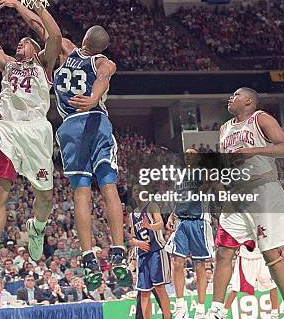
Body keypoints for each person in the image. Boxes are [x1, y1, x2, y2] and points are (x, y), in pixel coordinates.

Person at [0, 0, 62, 280]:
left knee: (45, 197)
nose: (21, 43)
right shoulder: (8, 65)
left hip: (37, 132)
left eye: (27, 41)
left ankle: (36, 227)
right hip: (8, 130)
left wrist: (35, 6)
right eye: (19, 42)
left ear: (37, 49)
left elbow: (56, 37)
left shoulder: (45, 65)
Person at [208, 87, 284, 319]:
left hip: (263, 190)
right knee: (223, 251)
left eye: (236, 94)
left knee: (270, 253)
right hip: (237, 194)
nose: (231, 97)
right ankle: (215, 311)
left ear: (248, 100)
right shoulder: (225, 128)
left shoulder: (261, 118)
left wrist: (253, 151)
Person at [52, 20, 131, 290]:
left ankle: (88, 256)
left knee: (81, 193)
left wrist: (25, 5)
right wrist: (94, 98)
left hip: (70, 127)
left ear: (84, 38)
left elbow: (45, 27)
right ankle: (118, 251)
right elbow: (104, 77)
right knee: (109, 187)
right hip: (96, 122)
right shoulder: (103, 61)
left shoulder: (65, 49)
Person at [165, 148, 213, 319]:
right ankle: (180, 307)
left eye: (192, 153)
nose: (188, 156)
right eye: (185, 154)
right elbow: (179, 197)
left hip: (198, 220)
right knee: (177, 262)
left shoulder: (203, 171)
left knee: (200, 265)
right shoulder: (179, 176)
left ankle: (200, 309)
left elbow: (207, 187)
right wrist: (172, 213)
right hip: (182, 221)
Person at [131, 189, 171, 319]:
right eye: (135, 192)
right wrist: (137, 243)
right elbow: (131, 237)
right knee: (144, 292)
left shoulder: (152, 206)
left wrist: (150, 226)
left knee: (159, 287)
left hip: (157, 251)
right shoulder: (132, 215)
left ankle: (167, 316)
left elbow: (160, 224)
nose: (137, 194)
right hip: (143, 255)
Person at [223, 247, 279, 319]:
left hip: (261, 256)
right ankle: (223, 314)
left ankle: (275, 315)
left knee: (273, 286)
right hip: (245, 257)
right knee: (235, 288)